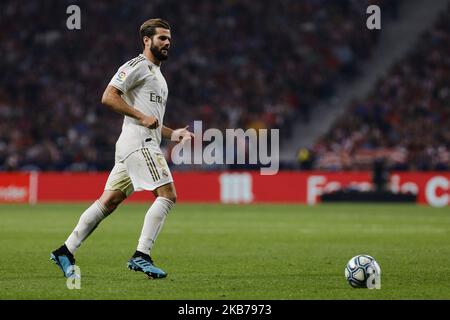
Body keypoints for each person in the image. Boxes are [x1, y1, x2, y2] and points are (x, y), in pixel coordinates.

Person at [50, 18, 193, 279]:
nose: (167, 42)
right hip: (139, 142)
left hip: (134, 142)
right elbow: (108, 96)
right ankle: (142, 255)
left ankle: (65, 250)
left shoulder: (158, 75)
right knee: (168, 195)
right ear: (146, 40)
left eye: (169, 38)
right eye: (162, 38)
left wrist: (173, 133)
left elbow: (152, 119)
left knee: (110, 200)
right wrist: (140, 117)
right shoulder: (136, 66)